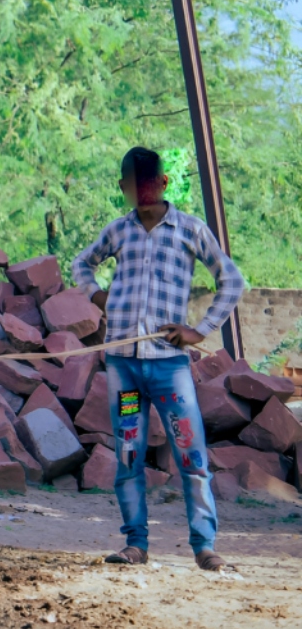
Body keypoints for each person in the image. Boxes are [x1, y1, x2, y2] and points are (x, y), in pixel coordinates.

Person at [71, 146, 244, 571]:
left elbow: (232, 280)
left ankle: (205, 545)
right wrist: (96, 294)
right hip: (124, 369)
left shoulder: (190, 229)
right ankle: (136, 545)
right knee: (129, 453)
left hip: (169, 367)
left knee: (190, 452)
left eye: (152, 182)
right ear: (124, 188)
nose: (144, 191)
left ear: (164, 184)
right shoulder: (118, 232)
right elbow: (81, 264)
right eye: (135, 183)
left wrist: (200, 330)